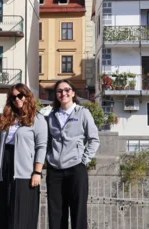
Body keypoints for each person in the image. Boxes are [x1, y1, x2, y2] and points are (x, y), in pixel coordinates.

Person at [46, 79, 100, 229]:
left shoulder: (83, 113)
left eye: (67, 90)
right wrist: (48, 158)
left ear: (73, 93)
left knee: (78, 212)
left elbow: (94, 139)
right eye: (59, 91)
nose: (63, 93)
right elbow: (47, 140)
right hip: (54, 170)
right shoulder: (51, 116)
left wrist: (84, 160)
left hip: (76, 168)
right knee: (56, 214)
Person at [0, 83, 47, 229]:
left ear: (27, 96)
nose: (17, 99)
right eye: (13, 97)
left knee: (21, 216)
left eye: (20, 96)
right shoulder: (7, 118)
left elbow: (41, 146)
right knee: (4, 214)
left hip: (24, 171)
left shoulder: (37, 119)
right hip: (5, 168)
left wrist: (37, 172)